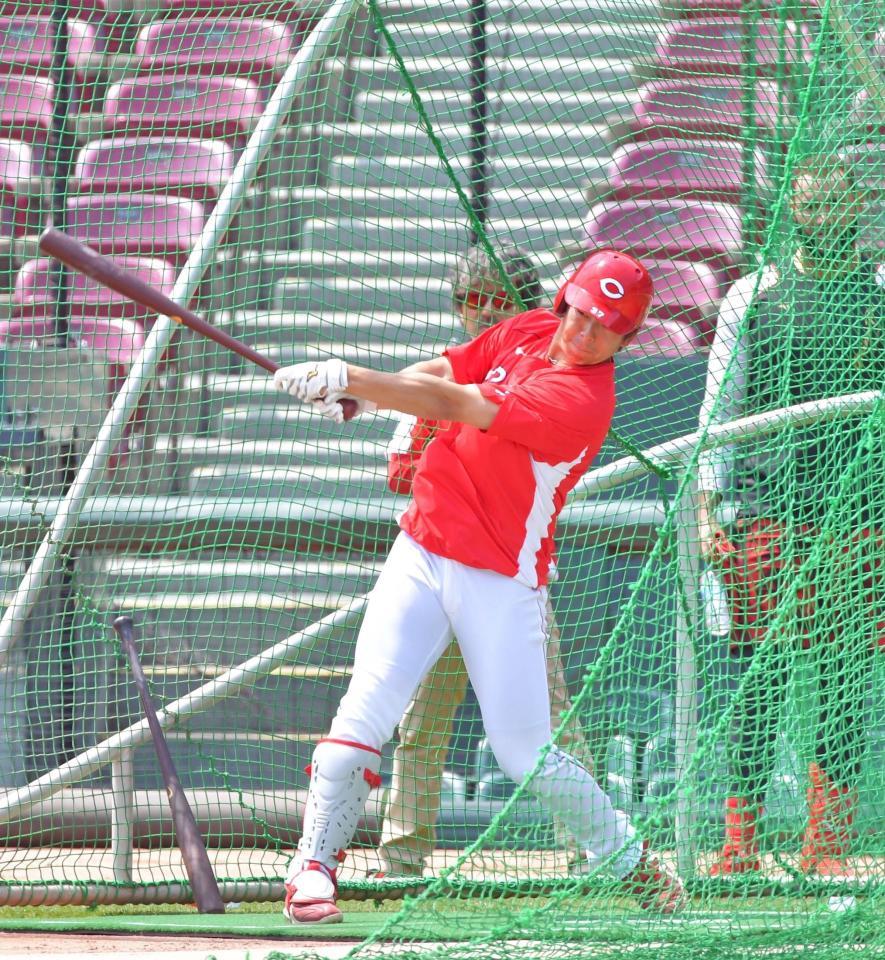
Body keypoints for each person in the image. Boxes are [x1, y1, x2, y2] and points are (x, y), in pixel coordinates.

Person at [272, 247, 685, 924]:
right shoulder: (526, 329)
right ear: (563, 301)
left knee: (526, 755)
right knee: (363, 714)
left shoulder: (581, 400)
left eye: (607, 326)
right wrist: (365, 396)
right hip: (422, 547)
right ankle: (313, 869)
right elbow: (446, 369)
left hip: (499, 580)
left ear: (627, 336)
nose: (585, 332)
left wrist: (352, 378)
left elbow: (455, 401)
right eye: (581, 313)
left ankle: (629, 858)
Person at [378, 245, 595, 879]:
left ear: (524, 305)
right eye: (468, 302)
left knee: (551, 719)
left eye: (495, 302)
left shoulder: (551, 374)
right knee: (422, 722)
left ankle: (589, 848)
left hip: (511, 575)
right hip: (441, 569)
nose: (480, 314)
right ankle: (402, 858)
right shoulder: (444, 375)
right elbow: (400, 470)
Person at [697, 155, 883, 877]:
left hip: (860, 518)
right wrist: (706, 506)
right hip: (767, 516)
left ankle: (824, 846)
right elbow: (718, 409)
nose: (823, 214)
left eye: (837, 201)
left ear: (858, 206)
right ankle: (738, 845)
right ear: (792, 207)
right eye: (811, 202)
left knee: (843, 683)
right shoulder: (753, 294)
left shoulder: (879, 292)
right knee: (757, 683)